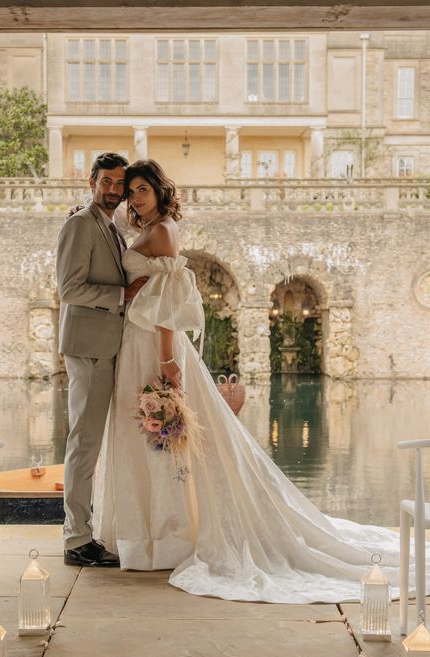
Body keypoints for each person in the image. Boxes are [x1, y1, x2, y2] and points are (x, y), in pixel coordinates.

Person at [92, 159, 403, 602]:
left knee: (159, 437)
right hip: (135, 340)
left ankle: (166, 534)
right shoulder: (145, 226)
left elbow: (168, 302)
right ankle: (144, 531)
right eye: (132, 191)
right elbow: (112, 218)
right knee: (142, 436)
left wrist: (167, 360)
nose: (135, 197)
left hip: (152, 345)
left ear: (161, 192)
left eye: (144, 189)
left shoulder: (161, 232)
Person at [56, 152, 148, 567]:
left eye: (119, 185)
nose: (113, 191)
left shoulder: (110, 226)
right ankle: (76, 540)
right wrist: (121, 297)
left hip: (107, 346)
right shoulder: (78, 225)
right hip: (89, 348)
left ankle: (88, 529)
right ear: (91, 180)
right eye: (106, 182)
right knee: (84, 443)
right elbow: (70, 289)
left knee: (91, 443)